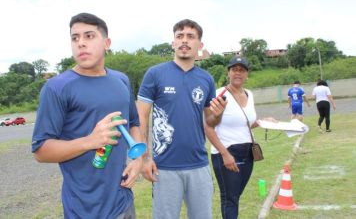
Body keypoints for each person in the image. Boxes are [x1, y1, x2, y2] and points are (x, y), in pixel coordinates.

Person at [32, 13, 143, 219]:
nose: (81, 43)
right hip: (84, 210)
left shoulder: (121, 80)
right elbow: (41, 151)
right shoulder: (56, 88)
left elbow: (134, 123)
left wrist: (138, 159)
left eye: (89, 36)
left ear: (106, 43)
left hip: (123, 202)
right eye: (75, 38)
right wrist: (90, 141)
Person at [136, 19, 225, 219]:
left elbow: (210, 122)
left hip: (199, 164)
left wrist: (217, 115)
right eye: (180, 36)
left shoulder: (206, 79)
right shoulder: (155, 74)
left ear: (200, 45)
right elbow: (142, 116)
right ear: (173, 42)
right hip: (164, 166)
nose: (184, 41)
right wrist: (145, 157)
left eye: (190, 37)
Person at [204, 56, 273, 219]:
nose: (238, 73)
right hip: (227, 153)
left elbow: (245, 122)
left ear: (247, 74)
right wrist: (225, 154)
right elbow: (208, 127)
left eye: (242, 70)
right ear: (228, 72)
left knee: (234, 196)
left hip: (248, 152)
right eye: (234, 69)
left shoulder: (249, 94)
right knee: (230, 200)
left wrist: (263, 121)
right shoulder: (219, 94)